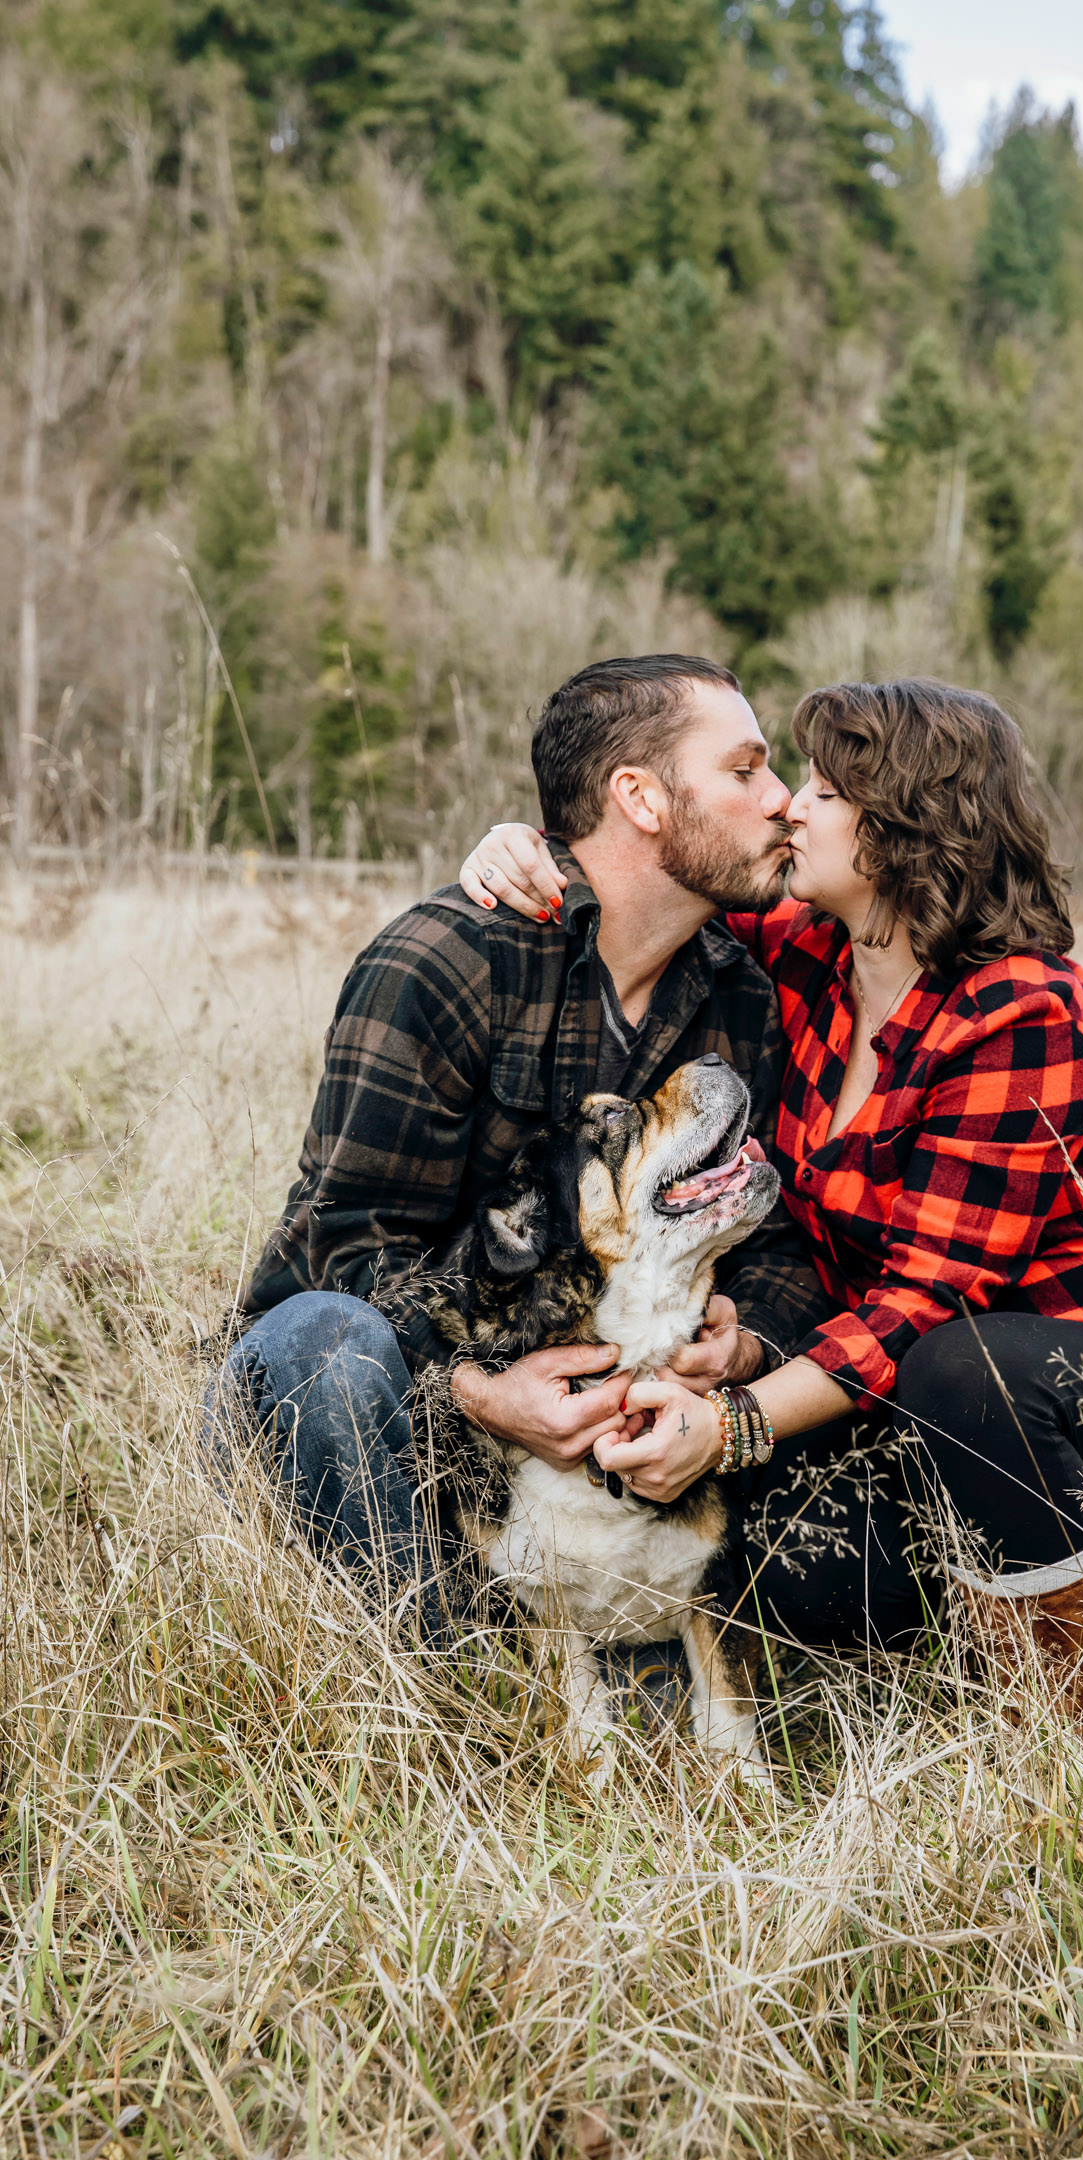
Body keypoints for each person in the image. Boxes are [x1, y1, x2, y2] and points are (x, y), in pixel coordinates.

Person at [459, 678, 1083, 1723]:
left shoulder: (1023, 1012)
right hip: (908, 1402)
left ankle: (1064, 1722)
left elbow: (926, 1301)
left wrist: (734, 1422)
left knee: (968, 1363)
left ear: (908, 831)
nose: (793, 805)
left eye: (827, 791)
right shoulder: (802, 960)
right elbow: (649, 883)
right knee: (793, 1577)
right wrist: (526, 850)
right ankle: (953, 1619)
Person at [206, 655, 833, 1644]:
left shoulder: (743, 996)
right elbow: (340, 1257)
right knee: (322, 1343)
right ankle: (424, 1685)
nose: (782, 800)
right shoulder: (452, 961)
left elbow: (785, 1248)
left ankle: (616, 1652)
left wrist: (744, 1338)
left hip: (612, 1442)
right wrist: (484, 1392)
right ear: (641, 798)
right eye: (748, 770)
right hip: (403, 1413)